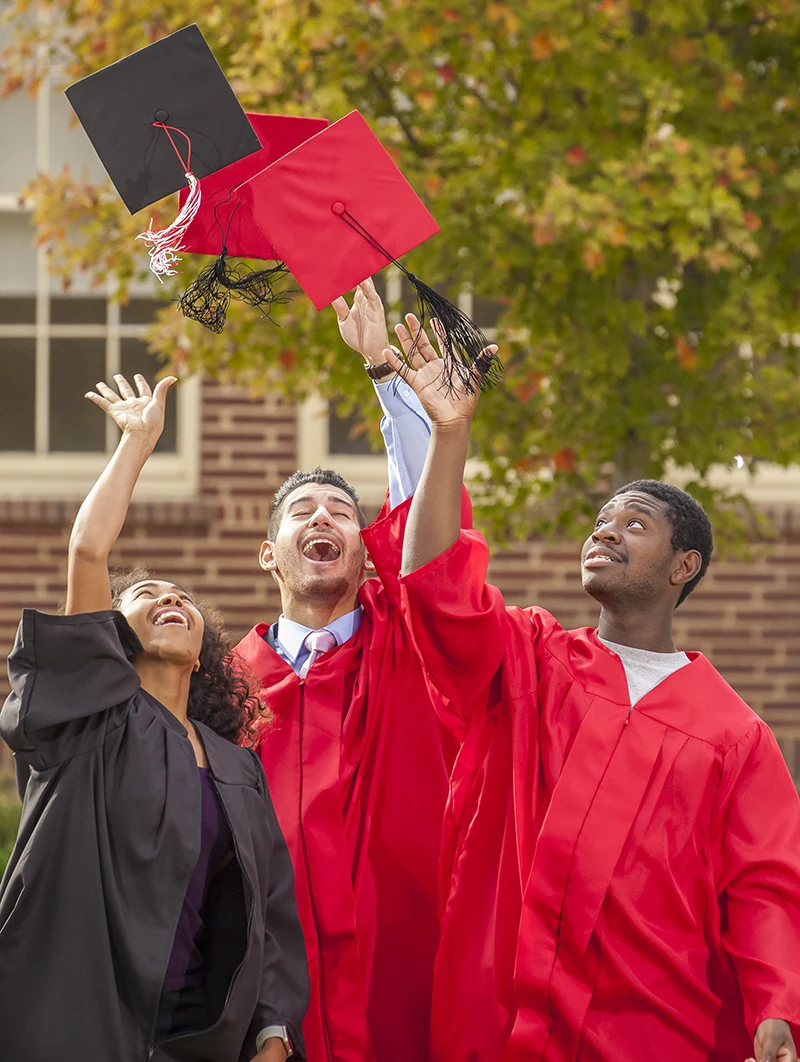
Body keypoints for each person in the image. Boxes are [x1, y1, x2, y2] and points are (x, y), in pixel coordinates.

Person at [383, 329, 800, 1062]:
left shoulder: (732, 736)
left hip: (651, 1035)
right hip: (502, 1028)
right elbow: (437, 591)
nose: (604, 533)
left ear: (684, 566)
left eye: (634, 525)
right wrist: (450, 435)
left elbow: (765, 885)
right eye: (601, 522)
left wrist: (777, 1010)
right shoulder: (533, 663)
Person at [0, 374, 309, 1062]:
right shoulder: (89, 718)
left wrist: (271, 1033)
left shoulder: (234, 768)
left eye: (183, 597)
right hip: (76, 1024)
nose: (171, 599)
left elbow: (268, 916)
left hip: (193, 1041)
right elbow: (87, 552)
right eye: (146, 595)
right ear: (110, 634)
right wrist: (137, 445)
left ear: (205, 653)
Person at [233, 279, 462, 1062]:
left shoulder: (410, 640)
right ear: (270, 555)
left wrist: (386, 378)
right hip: (274, 992)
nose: (325, 517)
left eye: (341, 510)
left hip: (411, 981)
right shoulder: (224, 684)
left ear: (370, 552)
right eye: (303, 512)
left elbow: (428, 514)